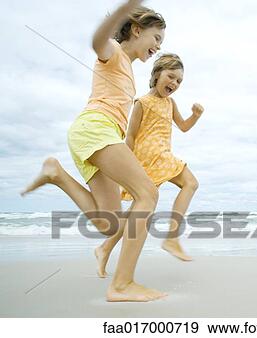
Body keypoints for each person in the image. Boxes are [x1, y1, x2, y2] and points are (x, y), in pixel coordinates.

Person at [21, 0, 167, 302]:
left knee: (107, 223)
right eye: (156, 39)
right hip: (94, 129)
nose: (158, 47)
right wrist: (126, 7)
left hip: (99, 134)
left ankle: (56, 174)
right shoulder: (113, 52)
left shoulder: (127, 68)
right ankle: (122, 284)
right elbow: (96, 41)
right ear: (137, 29)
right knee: (148, 194)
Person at [97, 53, 204, 274]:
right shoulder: (142, 102)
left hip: (162, 155)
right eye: (171, 76)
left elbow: (183, 127)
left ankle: (105, 248)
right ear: (156, 74)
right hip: (146, 157)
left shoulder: (170, 103)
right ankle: (172, 238)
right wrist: (126, 168)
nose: (174, 83)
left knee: (138, 209)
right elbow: (131, 136)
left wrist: (195, 116)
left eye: (179, 81)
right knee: (191, 183)